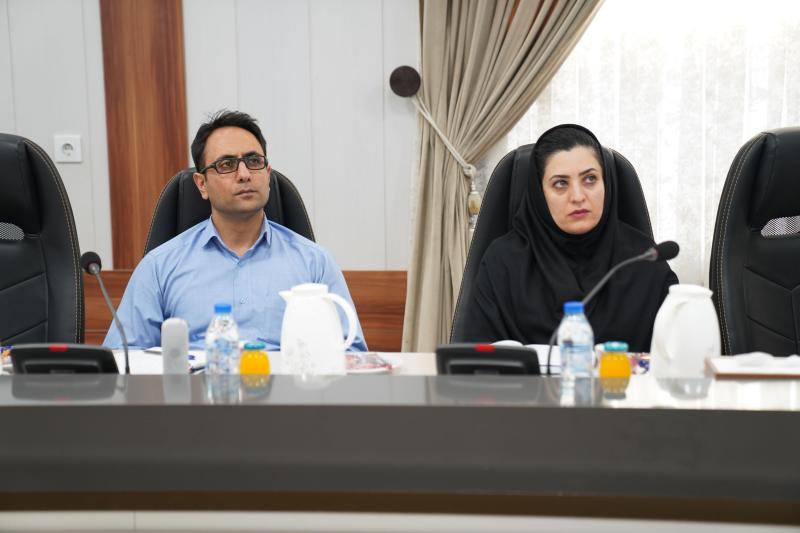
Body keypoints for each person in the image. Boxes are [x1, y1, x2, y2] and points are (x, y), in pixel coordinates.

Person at [104, 110, 367, 351]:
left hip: (290, 386)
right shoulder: (159, 267)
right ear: (202, 184)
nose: (244, 174)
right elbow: (124, 359)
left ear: (267, 173)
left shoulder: (314, 262)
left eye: (253, 161)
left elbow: (352, 354)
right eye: (227, 164)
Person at [461, 124, 678, 352]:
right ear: (539, 193)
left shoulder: (645, 262)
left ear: (606, 183)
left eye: (590, 179)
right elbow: (477, 361)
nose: (577, 196)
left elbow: (678, 359)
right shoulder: (503, 263)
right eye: (560, 184)